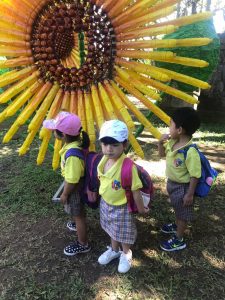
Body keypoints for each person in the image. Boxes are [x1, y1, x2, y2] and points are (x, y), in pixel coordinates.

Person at [97, 120, 149, 273]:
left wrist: (141, 209)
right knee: (112, 229)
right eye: (105, 144)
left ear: (125, 145)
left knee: (124, 234)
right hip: (106, 204)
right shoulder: (104, 159)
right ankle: (114, 250)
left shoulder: (128, 167)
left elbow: (135, 191)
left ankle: (126, 253)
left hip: (122, 207)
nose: (109, 149)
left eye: (114, 144)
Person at [43, 111, 91, 256]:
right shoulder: (75, 144)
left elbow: (72, 180)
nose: (53, 134)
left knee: (78, 215)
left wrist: (65, 193)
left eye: (54, 131)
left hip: (75, 189)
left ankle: (83, 244)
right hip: (75, 187)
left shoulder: (72, 155)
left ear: (63, 135)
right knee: (76, 212)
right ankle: (76, 224)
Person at [158, 107, 201, 252]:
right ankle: (177, 225)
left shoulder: (190, 151)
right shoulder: (172, 143)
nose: (169, 128)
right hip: (172, 184)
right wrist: (160, 144)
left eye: (171, 124)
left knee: (182, 213)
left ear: (180, 129)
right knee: (177, 208)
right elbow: (162, 155)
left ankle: (179, 238)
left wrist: (189, 194)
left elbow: (195, 175)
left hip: (183, 188)